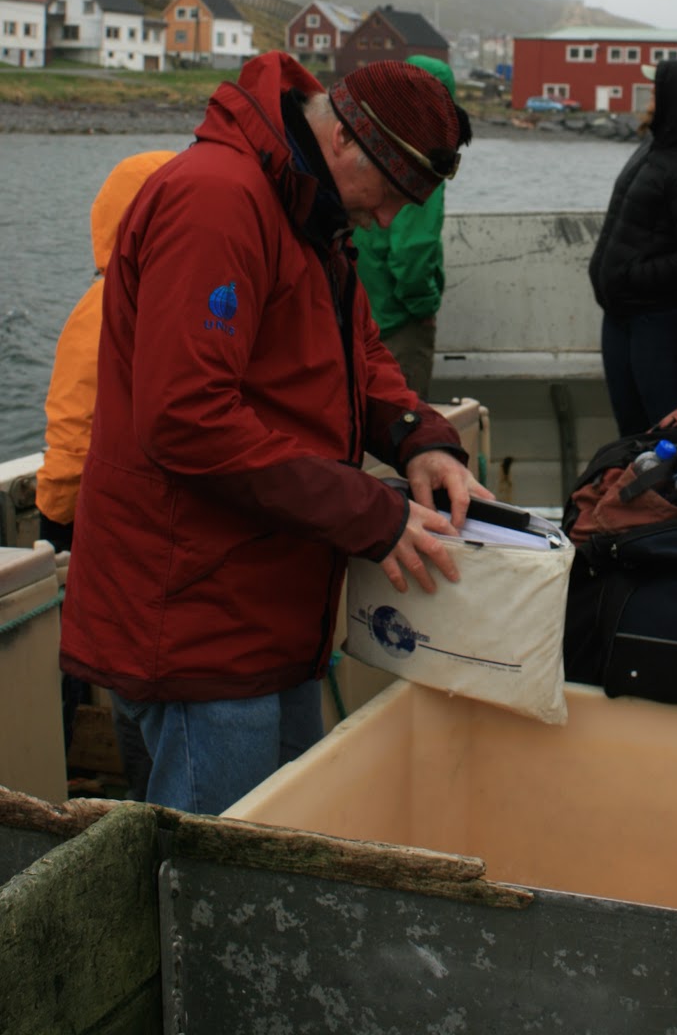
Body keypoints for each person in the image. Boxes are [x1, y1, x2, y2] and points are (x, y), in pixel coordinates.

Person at [60, 52, 493, 815]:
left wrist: (419, 438)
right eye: (391, 196)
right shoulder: (217, 202)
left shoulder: (306, 205)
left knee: (285, 836)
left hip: (270, 606)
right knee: (214, 863)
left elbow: (357, 352)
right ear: (347, 140)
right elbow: (186, 419)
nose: (388, 221)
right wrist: (371, 514)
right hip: (194, 620)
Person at [37, 149, 175, 797]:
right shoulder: (188, 302)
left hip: (101, 522)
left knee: (99, 664)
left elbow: (72, 427)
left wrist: (55, 518)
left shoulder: (100, 307)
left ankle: (63, 780)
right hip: (155, 528)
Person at [589, 57, 677, 436]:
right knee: (633, 436)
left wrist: (629, 277)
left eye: (656, 90)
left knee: (665, 437)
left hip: (663, 324)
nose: (649, 97)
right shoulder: (656, 147)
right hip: (625, 317)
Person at [353, 54, 465, 399]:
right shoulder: (425, 161)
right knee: (403, 416)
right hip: (398, 323)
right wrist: (423, 308)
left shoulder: (369, 147)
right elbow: (412, 252)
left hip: (360, 319)